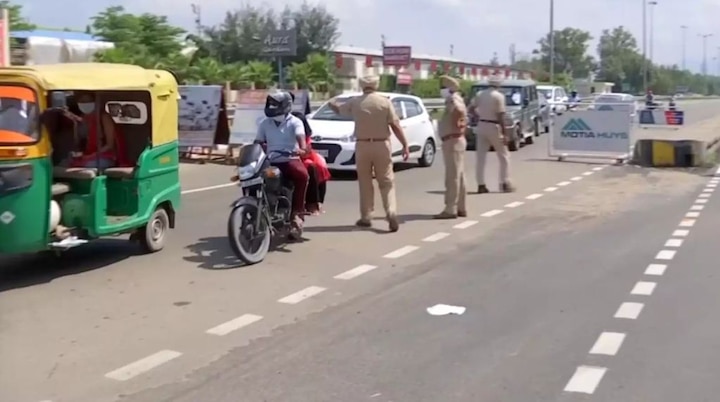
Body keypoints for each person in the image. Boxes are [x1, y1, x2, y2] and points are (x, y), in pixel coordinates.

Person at [329, 75, 409, 232]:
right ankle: (391, 211)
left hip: (362, 145)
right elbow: (395, 124)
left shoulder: (355, 102)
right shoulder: (385, 102)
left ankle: (366, 216)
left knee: (365, 182)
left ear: (362, 86)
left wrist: (332, 101)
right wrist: (405, 144)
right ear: (376, 85)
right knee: (386, 182)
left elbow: (338, 109)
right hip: (382, 144)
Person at [255, 92, 310, 227]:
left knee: (302, 175)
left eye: (276, 104)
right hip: (270, 161)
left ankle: (297, 212)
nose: (273, 107)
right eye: (271, 104)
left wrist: (302, 149)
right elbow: (258, 142)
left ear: (286, 105)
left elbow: (300, 137)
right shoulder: (264, 123)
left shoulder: (295, 122)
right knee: (251, 177)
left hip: (290, 159)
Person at [470, 75, 515, 193]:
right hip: (493, 126)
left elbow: (471, 108)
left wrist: (478, 116)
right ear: (499, 85)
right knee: (504, 156)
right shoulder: (499, 96)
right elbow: (501, 116)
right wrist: (505, 133)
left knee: (481, 157)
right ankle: (505, 182)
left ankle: (481, 184)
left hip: (482, 124)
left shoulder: (480, 94)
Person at [288, 91, 330, 215]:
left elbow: (305, 143)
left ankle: (314, 202)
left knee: (318, 165)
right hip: (276, 154)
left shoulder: (297, 119)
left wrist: (302, 151)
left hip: (297, 154)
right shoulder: (267, 120)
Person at [434, 75, 468, 219]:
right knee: (459, 176)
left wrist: (457, 122)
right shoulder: (456, 98)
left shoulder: (453, 99)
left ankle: (450, 209)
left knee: (452, 176)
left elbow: (459, 111)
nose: (441, 90)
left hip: (453, 141)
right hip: (456, 140)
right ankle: (461, 207)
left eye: (443, 87)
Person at [68, 91, 120, 169]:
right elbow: (80, 142)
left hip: (105, 155)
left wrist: (91, 156)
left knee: (88, 166)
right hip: (87, 154)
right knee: (66, 163)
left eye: (88, 101)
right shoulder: (81, 118)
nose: (85, 104)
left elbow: (110, 145)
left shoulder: (104, 117)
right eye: (82, 101)